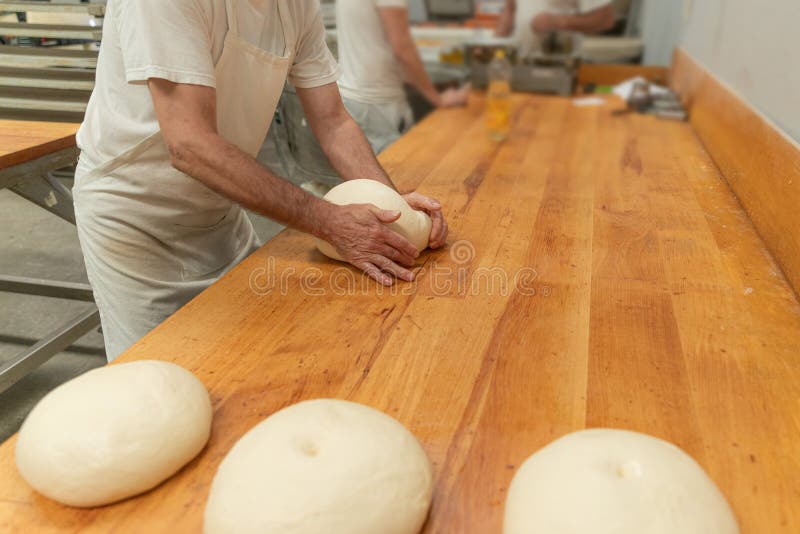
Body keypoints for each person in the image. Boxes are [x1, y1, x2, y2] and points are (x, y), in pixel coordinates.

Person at [73, 0, 449, 360]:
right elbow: (189, 144)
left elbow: (333, 120)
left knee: (255, 352)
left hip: (219, 210)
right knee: (155, 379)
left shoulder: (295, 5)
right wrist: (328, 221)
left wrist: (392, 206)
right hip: (136, 223)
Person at [336, 0, 470, 154]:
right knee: (397, 172)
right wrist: (438, 99)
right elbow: (402, 47)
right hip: (378, 105)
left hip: (352, 96)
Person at [495, 0, 616, 58]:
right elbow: (510, 11)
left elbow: (605, 19)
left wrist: (559, 22)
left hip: (561, 67)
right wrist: (492, 48)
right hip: (520, 63)